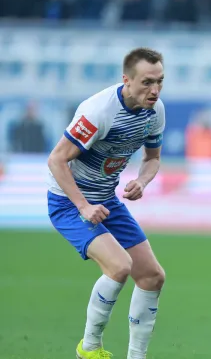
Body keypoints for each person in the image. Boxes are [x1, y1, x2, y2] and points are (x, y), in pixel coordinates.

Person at [47, 48, 167, 359]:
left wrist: (142, 181)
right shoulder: (98, 111)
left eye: (160, 82)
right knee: (119, 267)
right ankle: (88, 349)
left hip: (106, 199)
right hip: (69, 202)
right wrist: (83, 206)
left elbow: (152, 159)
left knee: (152, 276)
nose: (154, 90)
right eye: (146, 82)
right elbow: (57, 160)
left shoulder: (155, 111)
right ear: (126, 80)